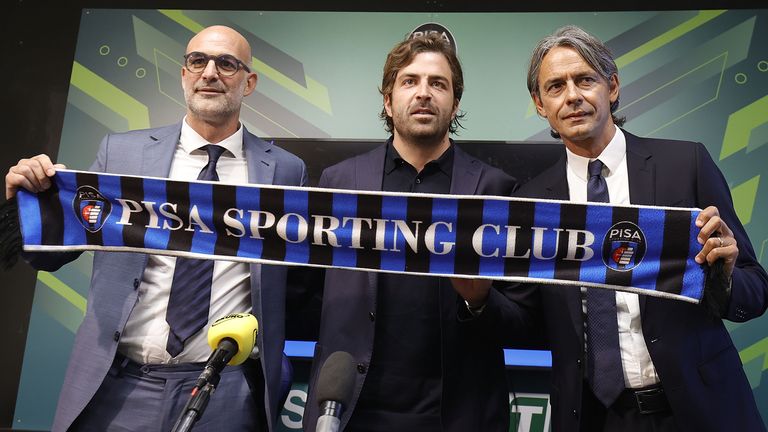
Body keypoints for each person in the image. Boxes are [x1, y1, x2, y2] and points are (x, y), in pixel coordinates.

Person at [5, 26, 307, 431]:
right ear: (184, 74)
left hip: (225, 391)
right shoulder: (121, 152)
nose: (210, 73)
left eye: (227, 63)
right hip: (119, 386)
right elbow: (54, 252)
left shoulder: (286, 170)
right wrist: (27, 202)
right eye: (198, 61)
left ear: (248, 82)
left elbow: (300, 280)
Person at [511, 25, 768, 431]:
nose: (572, 96)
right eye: (556, 86)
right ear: (540, 104)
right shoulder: (531, 202)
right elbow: (522, 317)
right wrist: (474, 302)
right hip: (593, 417)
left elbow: (756, 293)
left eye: (585, 79)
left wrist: (727, 275)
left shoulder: (686, 166)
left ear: (611, 86)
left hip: (698, 409)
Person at [302, 34, 518, 432]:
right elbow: (304, 293)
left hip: (459, 413)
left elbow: (524, 318)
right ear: (388, 100)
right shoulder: (338, 182)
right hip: (350, 410)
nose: (424, 93)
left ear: (454, 103)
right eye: (410, 81)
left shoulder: (497, 189)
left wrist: (479, 302)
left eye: (438, 83)